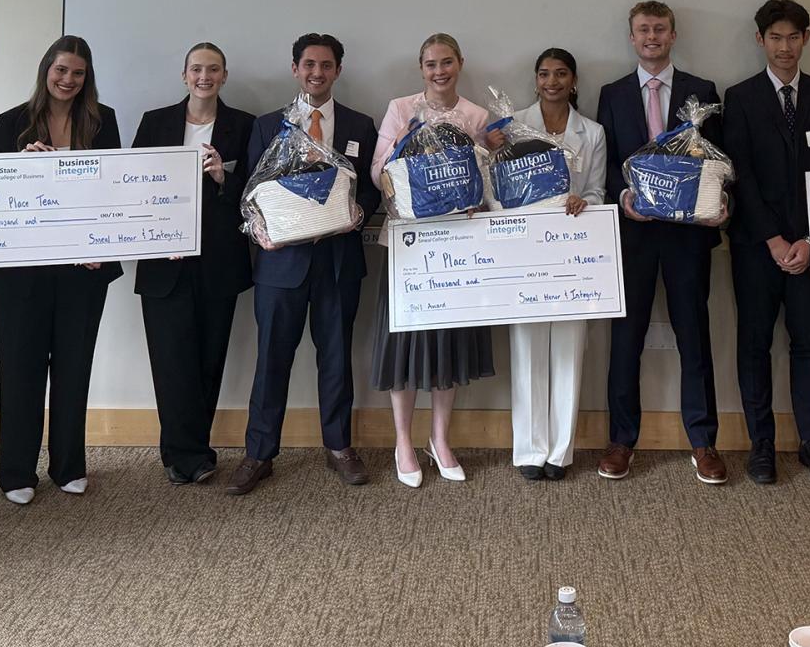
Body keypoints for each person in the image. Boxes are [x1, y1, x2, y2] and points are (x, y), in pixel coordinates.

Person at [227, 33, 379, 496]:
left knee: (336, 358)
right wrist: (259, 231)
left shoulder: (360, 124)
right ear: (295, 68)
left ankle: (339, 447)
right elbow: (250, 194)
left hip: (338, 264)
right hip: (280, 266)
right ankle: (258, 453)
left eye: (327, 65)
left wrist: (360, 211)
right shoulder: (267, 125)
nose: (317, 72)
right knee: (272, 360)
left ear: (338, 70)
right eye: (309, 64)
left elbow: (374, 188)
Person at [596, 0, 729, 485]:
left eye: (660, 29)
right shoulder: (611, 93)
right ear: (631, 37)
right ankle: (621, 440)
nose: (651, 36)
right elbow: (605, 161)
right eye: (642, 29)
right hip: (632, 235)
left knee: (693, 336)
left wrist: (718, 204)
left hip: (687, 237)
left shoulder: (702, 92)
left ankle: (703, 440)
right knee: (625, 339)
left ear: (673, 35)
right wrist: (625, 193)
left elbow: (716, 162)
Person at [0, 35, 122, 505]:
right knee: (20, 370)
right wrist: (16, 167)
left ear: (88, 79)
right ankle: (15, 472)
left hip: (84, 270)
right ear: (46, 70)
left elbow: (114, 193)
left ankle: (69, 465)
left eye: (78, 73)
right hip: (21, 273)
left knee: (73, 368)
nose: (68, 80)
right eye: (61, 70)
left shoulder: (103, 123)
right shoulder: (9, 124)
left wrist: (103, 245)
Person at [722, 0, 810, 486]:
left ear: (806, 39)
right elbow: (741, 173)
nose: (785, 47)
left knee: (809, 344)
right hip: (757, 246)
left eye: (794, 37)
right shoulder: (741, 96)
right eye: (775, 38)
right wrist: (773, 239)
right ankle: (762, 444)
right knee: (754, 344)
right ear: (760, 41)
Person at [370, 33, 495, 488]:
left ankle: (440, 440)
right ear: (420, 68)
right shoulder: (400, 109)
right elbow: (377, 172)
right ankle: (403, 441)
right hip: (408, 245)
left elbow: (486, 181)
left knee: (448, 343)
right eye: (430, 64)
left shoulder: (478, 116)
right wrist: (403, 141)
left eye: (446, 62)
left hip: (458, 246)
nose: (439, 71)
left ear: (460, 63)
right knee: (404, 343)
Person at [132, 43, 253, 486]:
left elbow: (256, 193)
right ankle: (184, 454)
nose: (205, 76)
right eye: (197, 69)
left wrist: (224, 177)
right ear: (184, 75)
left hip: (218, 262)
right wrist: (159, 234)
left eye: (214, 69)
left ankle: (192, 451)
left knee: (208, 359)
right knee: (171, 360)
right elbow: (134, 186)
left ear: (224, 76)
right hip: (164, 261)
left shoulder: (244, 125)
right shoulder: (155, 121)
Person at [507, 48, 606, 481]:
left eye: (561, 74)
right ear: (535, 80)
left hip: (573, 253)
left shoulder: (594, 132)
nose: (552, 81)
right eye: (544, 74)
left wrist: (584, 202)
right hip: (527, 252)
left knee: (568, 349)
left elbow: (601, 191)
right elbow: (500, 189)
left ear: (574, 81)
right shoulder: (513, 126)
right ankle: (530, 450)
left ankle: (560, 452)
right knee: (527, 347)